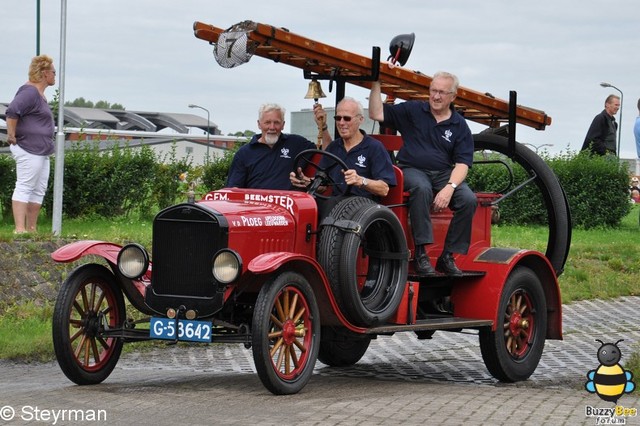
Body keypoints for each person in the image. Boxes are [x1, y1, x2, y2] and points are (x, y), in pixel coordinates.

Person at [368, 71, 476, 277]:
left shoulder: (459, 124)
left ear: (453, 96)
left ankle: (447, 257)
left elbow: (463, 164)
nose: (436, 96)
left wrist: (450, 188)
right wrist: (376, 84)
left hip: (444, 174)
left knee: (469, 200)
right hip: (411, 169)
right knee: (421, 188)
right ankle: (421, 254)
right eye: (433, 91)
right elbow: (377, 114)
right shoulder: (414, 110)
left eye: (442, 93)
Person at [290, 97, 396, 215]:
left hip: (364, 209)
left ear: (360, 119)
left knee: (330, 204)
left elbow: (384, 189)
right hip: (336, 205)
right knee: (303, 203)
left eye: (347, 118)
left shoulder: (374, 147)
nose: (341, 123)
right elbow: (323, 187)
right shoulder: (334, 147)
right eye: (338, 118)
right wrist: (307, 182)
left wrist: (360, 180)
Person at [225, 103, 331, 189]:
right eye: (267, 122)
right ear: (259, 124)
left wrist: (323, 126)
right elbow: (234, 189)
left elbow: (328, 154)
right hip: (256, 210)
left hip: (290, 209)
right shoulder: (244, 153)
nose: (272, 127)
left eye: (276, 123)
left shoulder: (296, 143)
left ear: (283, 125)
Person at [5, 54, 56, 234]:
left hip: (41, 150)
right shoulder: (29, 92)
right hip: (29, 148)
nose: (54, 75)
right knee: (25, 185)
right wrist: (11, 135)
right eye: (53, 72)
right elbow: (12, 111)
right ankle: (20, 229)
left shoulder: (40, 95)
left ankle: (31, 228)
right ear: (44, 73)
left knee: (39, 189)